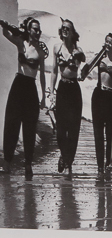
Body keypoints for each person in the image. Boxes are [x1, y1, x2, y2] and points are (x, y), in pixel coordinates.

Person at [2, 15, 48, 170]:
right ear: (29, 30)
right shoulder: (21, 43)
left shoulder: (40, 51)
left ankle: (28, 163)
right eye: (35, 29)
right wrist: (5, 25)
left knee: (30, 125)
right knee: (11, 122)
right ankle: (7, 161)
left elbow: (42, 75)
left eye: (39, 30)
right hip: (18, 84)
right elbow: (6, 34)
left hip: (30, 86)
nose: (38, 32)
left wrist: (44, 97)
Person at [51, 20, 87, 173]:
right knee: (60, 129)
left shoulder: (77, 50)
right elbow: (54, 71)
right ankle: (64, 155)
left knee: (73, 129)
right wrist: (51, 92)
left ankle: (68, 162)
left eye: (68, 28)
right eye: (63, 28)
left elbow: (84, 61)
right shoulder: (57, 48)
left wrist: (79, 57)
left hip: (74, 90)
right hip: (62, 88)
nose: (65, 30)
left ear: (72, 32)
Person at [86, 32, 112, 175]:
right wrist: (97, 55)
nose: (108, 44)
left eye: (110, 42)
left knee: (110, 133)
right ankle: (100, 165)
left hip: (110, 96)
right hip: (99, 95)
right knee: (98, 132)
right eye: (106, 41)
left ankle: (108, 162)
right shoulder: (100, 59)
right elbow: (88, 66)